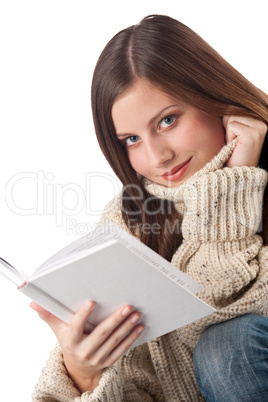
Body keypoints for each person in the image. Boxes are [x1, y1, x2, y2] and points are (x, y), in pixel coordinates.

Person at [31, 15, 268, 401]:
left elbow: (220, 315)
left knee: (227, 346)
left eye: (168, 120)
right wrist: (83, 373)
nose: (158, 156)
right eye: (131, 139)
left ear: (214, 97)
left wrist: (233, 185)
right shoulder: (127, 222)